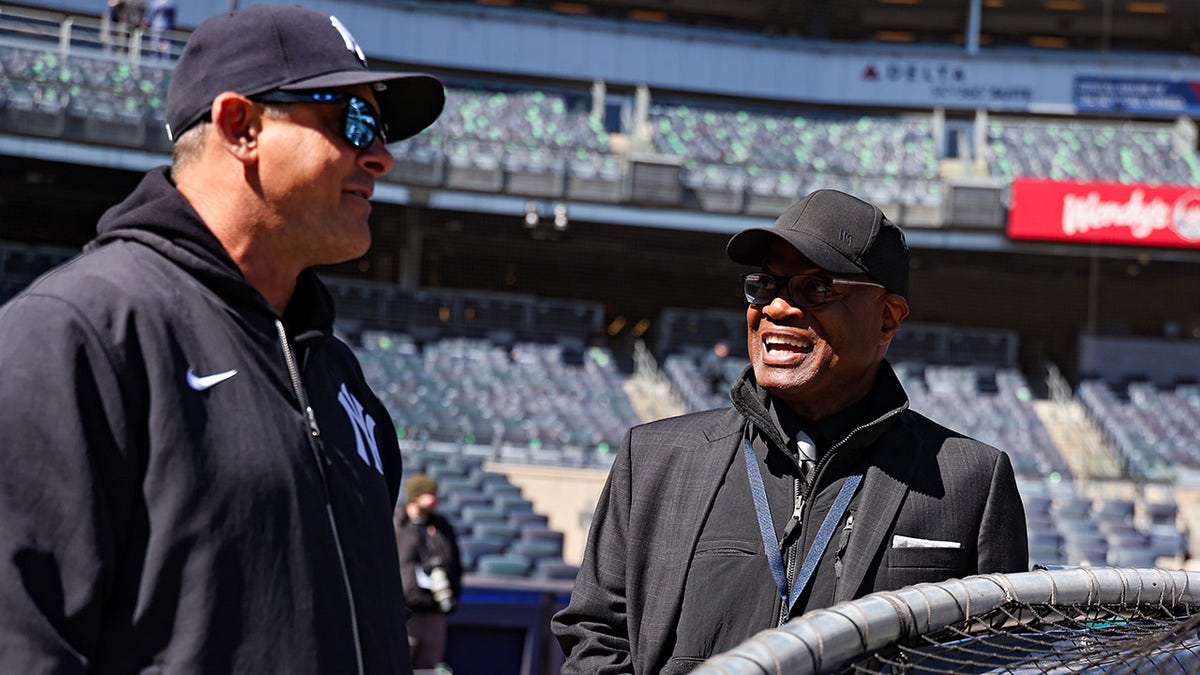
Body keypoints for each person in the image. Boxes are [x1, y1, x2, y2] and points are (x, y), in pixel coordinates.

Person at [0, 6, 444, 673]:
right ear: (241, 126)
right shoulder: (78, 331)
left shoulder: (336, 371)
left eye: (379, 131)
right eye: (354, 123)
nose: (379, 156)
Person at [552, 189, 1028, 673]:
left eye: (816, 287)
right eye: (764, 285)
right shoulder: (653, 457)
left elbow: (995, 661)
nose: (776, 308)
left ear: (887, 318)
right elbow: (595, 635)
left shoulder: (971, 479)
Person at [395, 473, 464, 670]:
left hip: (434, 611)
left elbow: (454, 564)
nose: (434, 499)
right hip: (405, 612)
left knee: (429, 667)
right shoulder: (397, 525)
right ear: (416, 496)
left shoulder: (441, 528)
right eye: (429, 494)